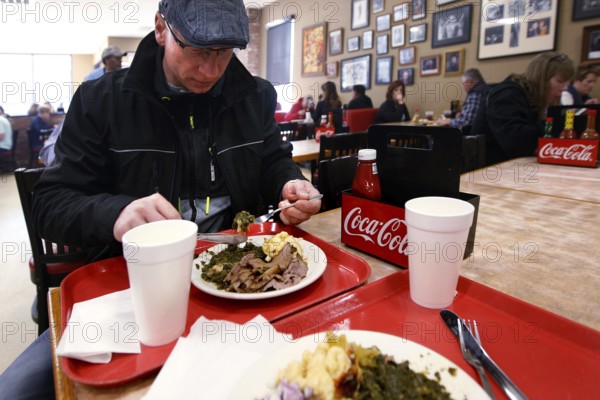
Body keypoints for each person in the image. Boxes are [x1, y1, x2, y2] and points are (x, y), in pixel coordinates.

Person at [0, 0, 321, 397]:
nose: (211, 70)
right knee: (16, 392)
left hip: (241, 281)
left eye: (223, 53)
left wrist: (288, 184)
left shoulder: (254, 96)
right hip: (130, 286)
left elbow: (274, 161)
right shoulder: (102, 100)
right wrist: (116, 212)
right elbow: (50, 203)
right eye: (198, 50)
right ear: (161, 29)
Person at [472, 51, 574, 166]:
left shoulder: (532, 97)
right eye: (560, 81)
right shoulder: (506, 95)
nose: (565, 88)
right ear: (541, 78)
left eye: (567, 83)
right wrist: (555, 123)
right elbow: (516, 143)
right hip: (489, 170)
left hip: (514, 166)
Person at [39, 48, 126, 166]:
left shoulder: (126, 79)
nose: (120, 61)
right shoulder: (92, 79)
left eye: (121, 58)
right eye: (117, 58)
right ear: (106, 60)